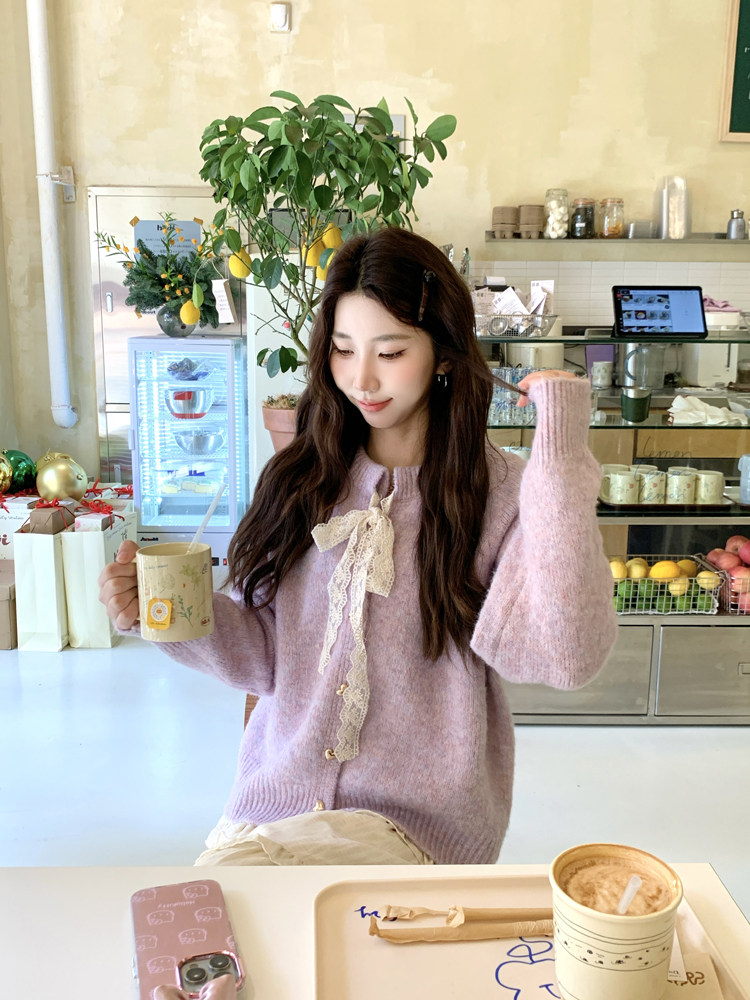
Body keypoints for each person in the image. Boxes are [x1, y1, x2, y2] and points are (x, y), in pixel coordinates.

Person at [99, 226, 617, 867]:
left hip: (415, 831)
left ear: (444, 355)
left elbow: (566, 658)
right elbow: (265, 654)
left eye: (391, 352)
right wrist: (164, 614)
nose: (362, 378)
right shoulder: (300, 478)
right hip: (273, 811)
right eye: (343, 350)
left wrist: (559, 453)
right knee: (204, 926)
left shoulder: (502, 495)